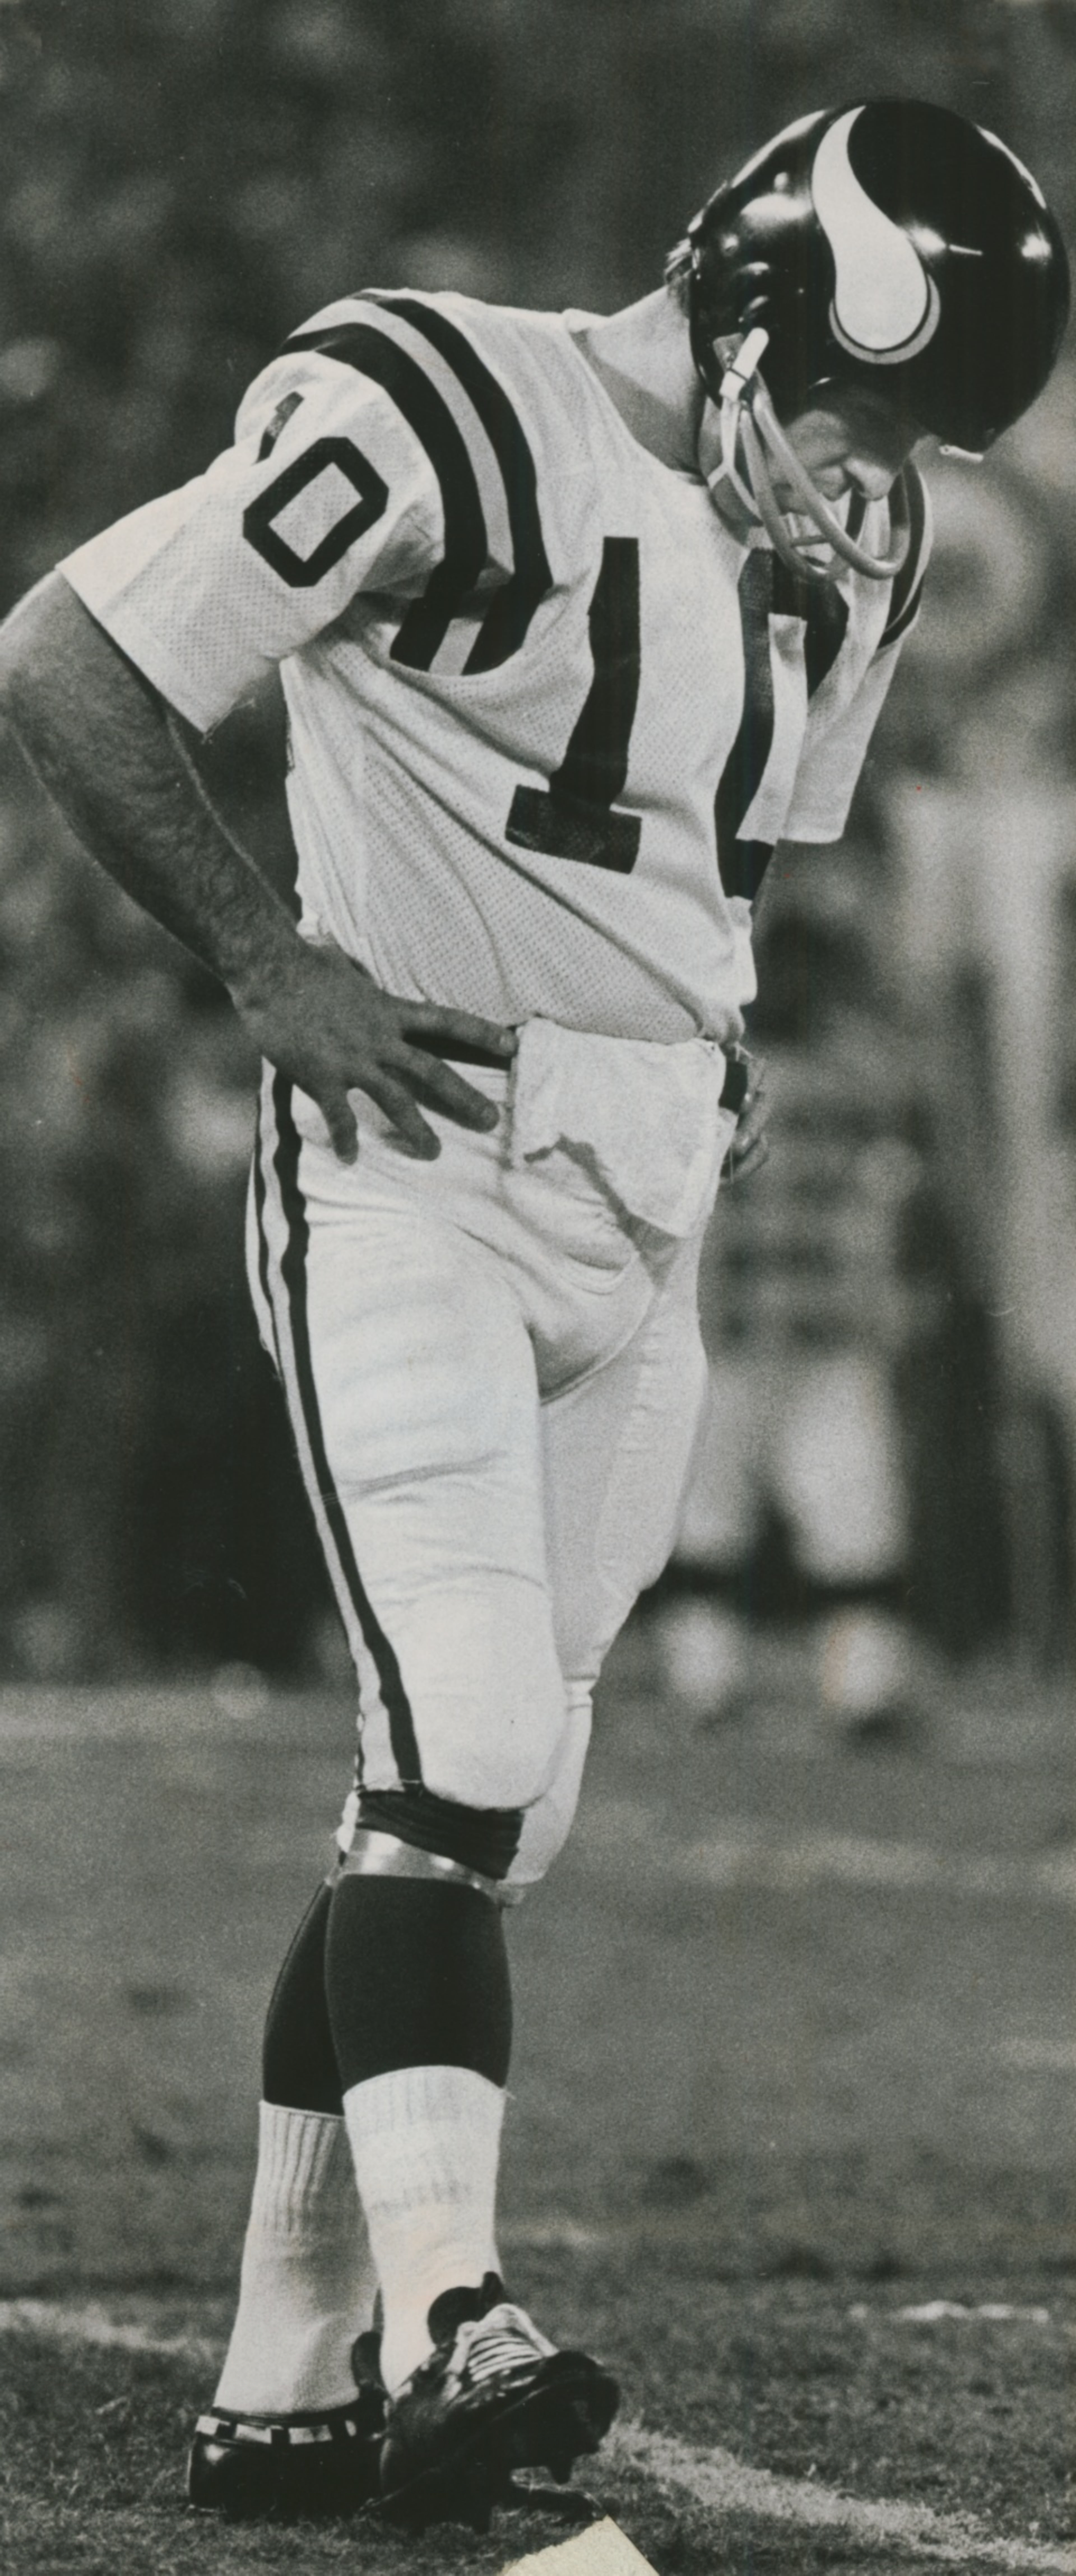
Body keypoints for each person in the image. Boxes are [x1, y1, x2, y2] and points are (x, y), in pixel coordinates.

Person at [0, 99, 1066, 2531]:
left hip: (645, 1207)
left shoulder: (854, 541)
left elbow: (724, 856)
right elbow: (68, 649)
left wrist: (702, 1046)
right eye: (872, 404)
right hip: (414, 1172)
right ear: (763, 300)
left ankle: (280, 2368)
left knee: (476, 1810)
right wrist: (265, 959)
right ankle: (452, 2312)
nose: (880, 471)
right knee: (466, 1740)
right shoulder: (437, 401)